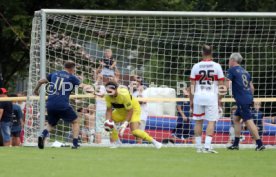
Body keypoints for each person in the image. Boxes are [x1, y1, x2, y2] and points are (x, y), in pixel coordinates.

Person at [34, 61, 92, 149]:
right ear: (72, 69)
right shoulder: (71, 77)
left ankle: (42, 135)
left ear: (64, 67)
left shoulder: (54, 74)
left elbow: (41, 81)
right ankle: (75, 144)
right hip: (62, 104)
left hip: (50, 103)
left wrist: (36, 90)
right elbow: (82, 85)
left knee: (51, 124)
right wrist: (89, 87)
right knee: (76, 121)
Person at [104, 81, 162, 149]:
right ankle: (117, 142)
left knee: (135, 131)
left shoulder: (124, 95)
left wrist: (125, 123)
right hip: (121, 111)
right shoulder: (107, 96)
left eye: (110, 91)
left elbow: (130, 110)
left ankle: (154, 142)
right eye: (107, 91)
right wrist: (108, 121)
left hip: (133, 109)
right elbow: (108, 110)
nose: (109, 93)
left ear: (116, 89)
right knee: (108, 123)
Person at [190, 45, 225, 153]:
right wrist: (220, 98)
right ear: (211, 52)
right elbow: (221, 84)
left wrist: (191, 100)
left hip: (198, 96)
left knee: (198, 122)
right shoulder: (216, 66)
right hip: (211, 96)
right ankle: (207, 146)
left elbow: (192, 85)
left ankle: (198, 147)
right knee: (211, 121)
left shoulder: (196, 66)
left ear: (202, 52)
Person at [226, 53, 265, 151]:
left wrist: (220, 95)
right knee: (236, 119)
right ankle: (235, 144)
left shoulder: (232, 70)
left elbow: (226, 84)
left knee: (249, 121)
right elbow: (252, 87)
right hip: (247, 98)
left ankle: (260, 144)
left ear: (233, 60)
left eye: (229, 60)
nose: (228, 62)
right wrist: (249, 98)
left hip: (242, 100)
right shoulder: (246, 72)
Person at [131, 77, 148, 144]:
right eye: (134, 81)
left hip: (142, 116)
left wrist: (140, 92)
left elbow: (142, 101)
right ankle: (138, 146)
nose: (135, 82)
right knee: (136, 134)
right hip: (135, 115)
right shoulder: (134, 93)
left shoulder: (145, 92)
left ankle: (139, 146)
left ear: (140, 83)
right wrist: (131, 89)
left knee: (139, 134)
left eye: (137, 81)